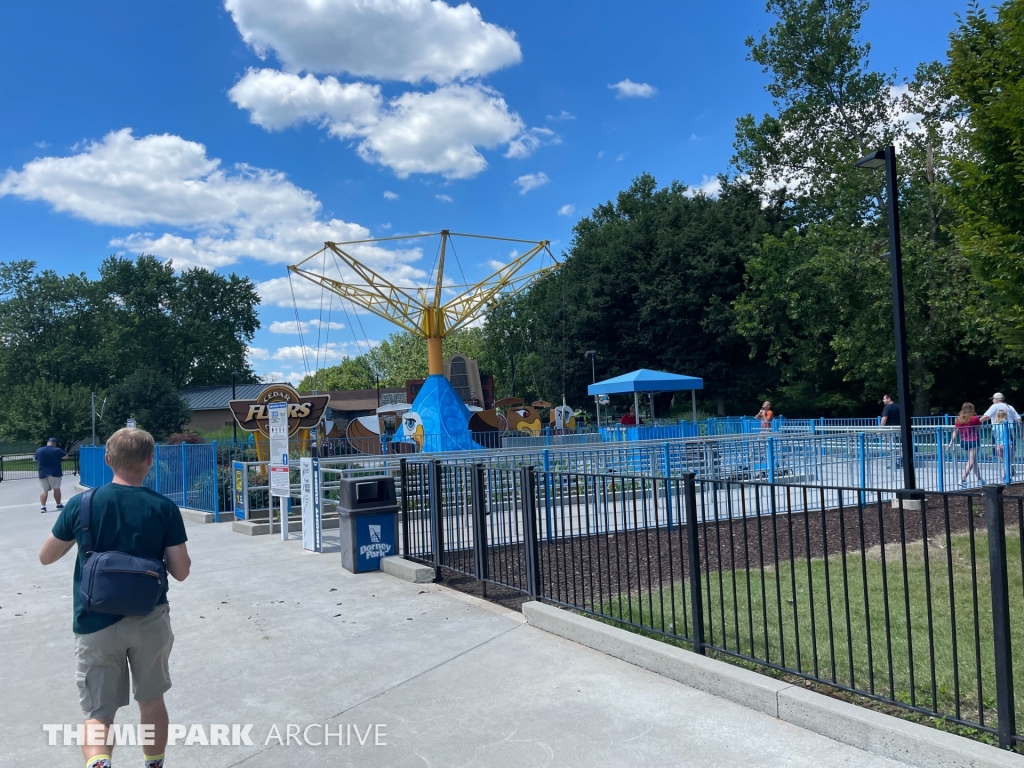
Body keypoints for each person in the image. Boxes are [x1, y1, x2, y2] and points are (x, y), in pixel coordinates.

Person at [37, 428, 191, 768]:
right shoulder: (163, 507)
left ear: (107, 460)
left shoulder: (82, 504)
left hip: (95, 622)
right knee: (152, 700)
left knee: (99, 712)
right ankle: (154, 763)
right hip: (149, 619)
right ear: (150, 461)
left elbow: (46, 556)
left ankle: (100, 763)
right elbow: (181, 571)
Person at [980, 392, 1021, 476]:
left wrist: (975, 423)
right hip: (1010, 430)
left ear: (997, 399)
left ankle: (1006, 467)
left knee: (1000, 451)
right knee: (1011, 451)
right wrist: (1020, 431)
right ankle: (1011, 467)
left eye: (993, 399)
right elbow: (1019, 419)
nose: (992, 401)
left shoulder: (994, 406)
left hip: (998, 431)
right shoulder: (1010, 407)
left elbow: (986, 416)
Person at [948, 402, 983, 488]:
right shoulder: (975, 418)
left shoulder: (959, 419)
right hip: (974, 441)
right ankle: (963, 479)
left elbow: (955, 431)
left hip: (964, 441)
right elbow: (979, 428)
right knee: (971, 462)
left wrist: (951, 443)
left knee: (974, 462)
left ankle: (980, 480)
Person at [35, 436, 68, 513]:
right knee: (56, 488)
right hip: (55, 472)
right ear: (55, 443)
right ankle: (58, 504)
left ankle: (43, 507)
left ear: (48, 443)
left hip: (42, 473)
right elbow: (65, 457)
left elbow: (35, 459)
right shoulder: (57, 450)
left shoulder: (39, 450)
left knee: (44, 490)